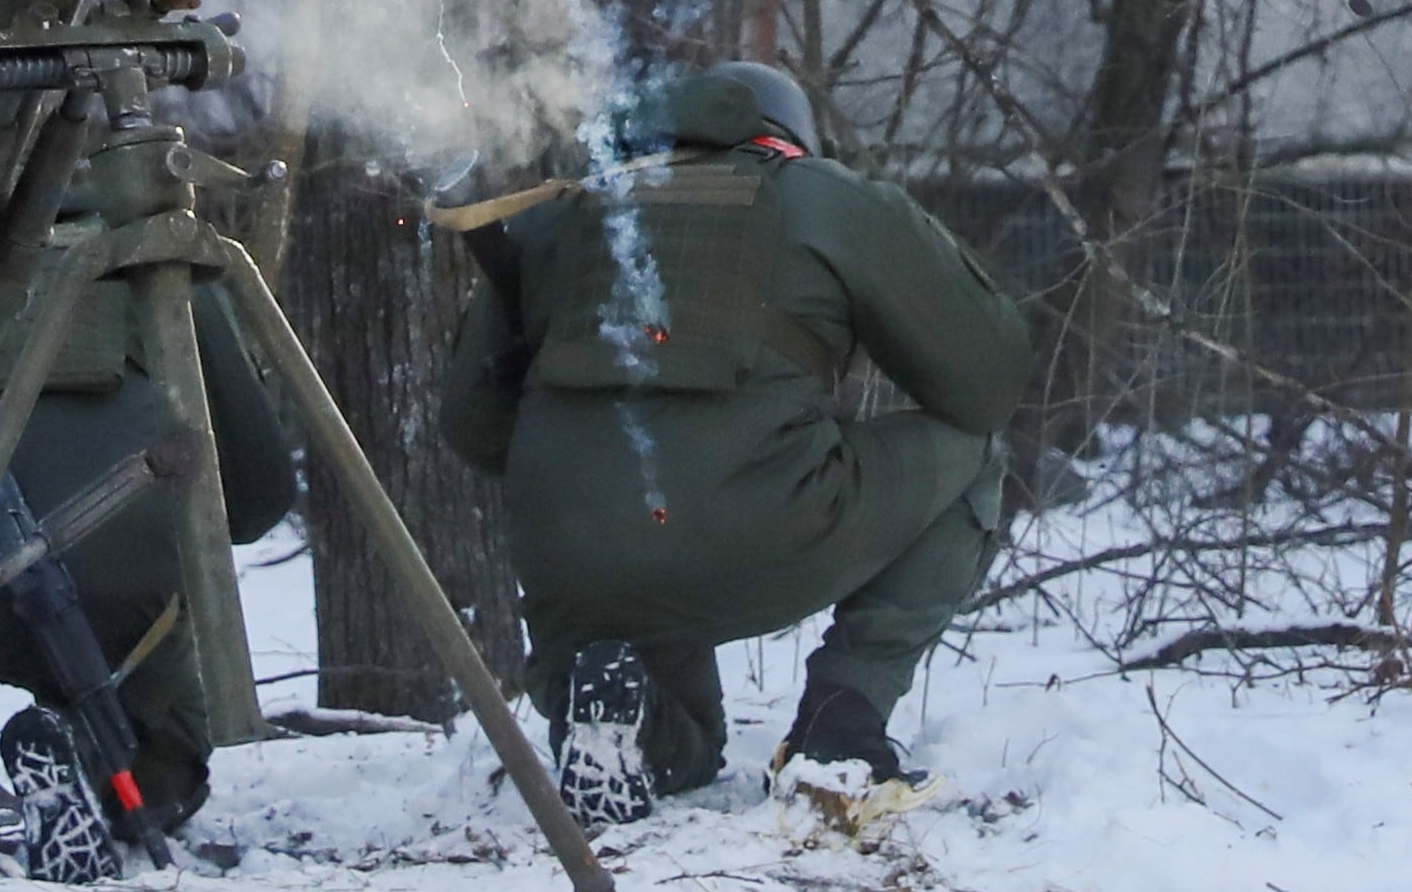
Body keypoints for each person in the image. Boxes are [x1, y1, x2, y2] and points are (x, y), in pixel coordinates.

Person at [436, 59, 1029, 827]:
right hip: (749, 523)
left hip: (569, 561)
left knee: (686, 748)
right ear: (787, 136)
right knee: (974, 451)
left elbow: (470, 424)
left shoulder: (564, 215)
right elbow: (985, 382)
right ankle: (837, 733)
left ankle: (622, 716)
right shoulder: (820, 195)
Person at [0, 244, 295, 879]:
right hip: (118, 608)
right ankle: (132, 791)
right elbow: (258, 499)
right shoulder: (160, 261)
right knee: (162, 661)